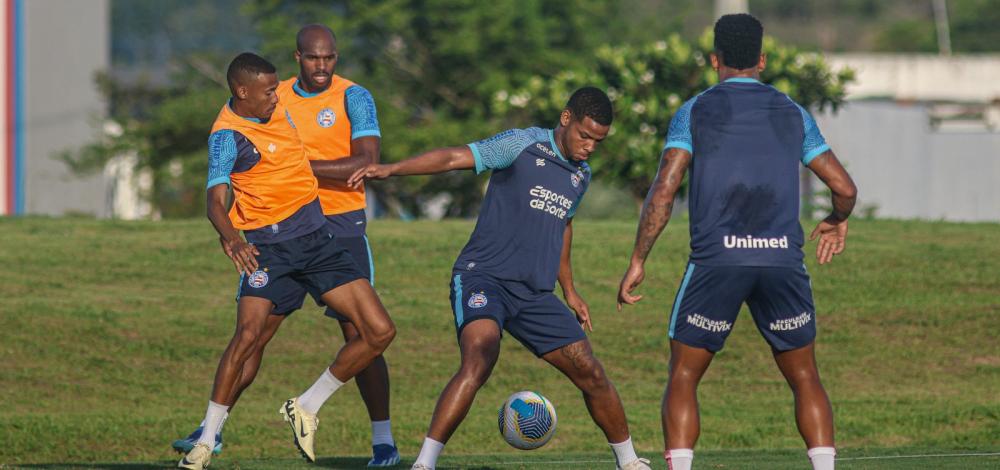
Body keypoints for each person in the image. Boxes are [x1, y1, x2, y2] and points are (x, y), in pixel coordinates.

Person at [349, 87, 651, 470]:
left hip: (535, 294)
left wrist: (570, 290)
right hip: (483, 278)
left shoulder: (580, 175)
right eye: (585, 135)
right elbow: (454, 157)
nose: (590, 146)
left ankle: (629, 462)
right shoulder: (522, 144)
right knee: (480, 357)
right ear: (566, 119)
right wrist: (391, 170)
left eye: (598, 141)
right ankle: (424, 464)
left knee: (589, 368)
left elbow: (563, 226)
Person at [616, 14, 857, 470]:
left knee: (684, 375)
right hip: (782, 263)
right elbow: (844, 188)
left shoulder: (694, 110)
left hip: (717, 262)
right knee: (805, 376)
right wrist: (836, 219)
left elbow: (665, 188)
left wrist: (637, 259)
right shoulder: (793, 111)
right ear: (762, 60)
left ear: (715, 60)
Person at [172, 24, 400, 468]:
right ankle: (208, 436)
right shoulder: (232, 132)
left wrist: (294, 165)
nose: (278, 96)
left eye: (329, 57)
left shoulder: (338, 98)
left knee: (373, 332)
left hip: (328, 234)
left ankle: (335, 418)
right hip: (271, 246)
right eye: (314, 58)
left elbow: (365, 161)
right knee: (250, 338)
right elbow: (213, 198)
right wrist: (232, 236)